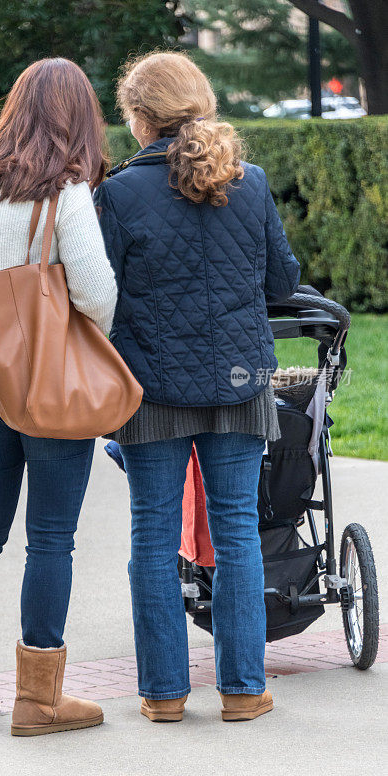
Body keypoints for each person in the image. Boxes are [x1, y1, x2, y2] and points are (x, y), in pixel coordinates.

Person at [94, 51, 300, 723]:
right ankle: (243, 689)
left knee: (152, 536)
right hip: (238, 381)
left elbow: (98, 294)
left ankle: (163, 694)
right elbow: (281, 284)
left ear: (138, 116)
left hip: (149, 387)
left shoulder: (119, 192)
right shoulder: (251, 181)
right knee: (237, 532)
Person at [0, 58, 117, 736]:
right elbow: (97, 295)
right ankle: (38, 702)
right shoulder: (65, 192)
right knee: (49, 540)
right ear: (78, 118)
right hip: (48, 387)